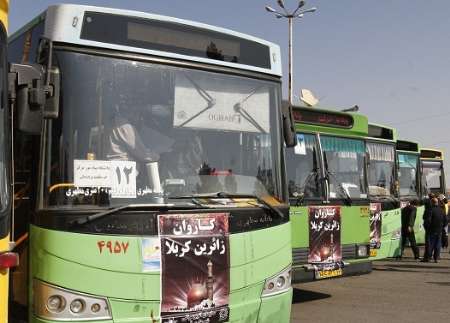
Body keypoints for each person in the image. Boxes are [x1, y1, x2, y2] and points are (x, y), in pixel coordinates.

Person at [422, 197, 448, 262]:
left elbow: (428, 220)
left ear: (432, 202)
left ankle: (428, 258)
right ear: (437, 202)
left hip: (431, 230)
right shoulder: (441, 210)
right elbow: (446, 220)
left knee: (429, 244)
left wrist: (426, 227)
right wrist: (442, 227)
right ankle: (436, 258)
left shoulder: (430, 210)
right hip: (439, 230)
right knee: (437, 244)